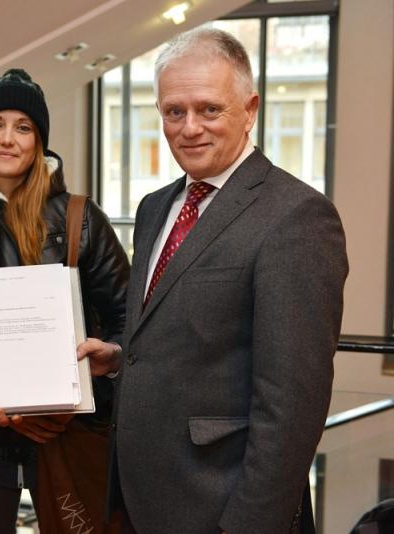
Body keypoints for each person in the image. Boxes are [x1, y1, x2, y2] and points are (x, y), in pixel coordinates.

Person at [81, 27, 348, 534]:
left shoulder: (297, 218)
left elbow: (291, 410)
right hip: (141, 500)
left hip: (225, 509)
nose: (189, 128)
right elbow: (170, 335)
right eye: (173, 111)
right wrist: (119, 358)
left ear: (249, 110)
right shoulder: (156, 207)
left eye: (209, 109)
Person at [0, 68, 130, 533]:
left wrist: (113, 356)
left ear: (39, 141)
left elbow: (132, 319)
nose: (8, 139)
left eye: (23, 127)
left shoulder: (81, 219)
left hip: (68, 434)